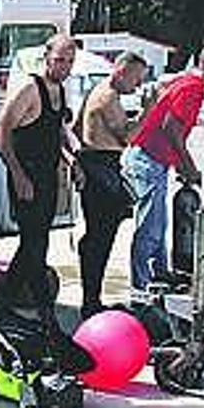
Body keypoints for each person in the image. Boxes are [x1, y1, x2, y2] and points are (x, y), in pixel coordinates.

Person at [0, 34, 93, 373]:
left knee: (35, 243)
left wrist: (72, 160)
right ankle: (47, 317)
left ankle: (2, 304)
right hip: (26, 176)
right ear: (46, 57)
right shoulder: (29, 88)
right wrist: (18, 174)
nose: (63, 67)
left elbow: (55, 132)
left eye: (69, 62)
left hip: (48, 178)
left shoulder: (59, 92)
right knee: (35, 245)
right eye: (59, 60)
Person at [124, 44, 204, 290]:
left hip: (152, 158)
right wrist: (189, 165)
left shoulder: (184, 80)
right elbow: (171, 127)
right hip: (148, 158)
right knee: (150, 227)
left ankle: (160, 274)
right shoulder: (194, 87)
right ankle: (140, 286)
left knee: (158, 225)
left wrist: (180, 164)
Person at [74, 51, 148, 320]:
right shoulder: (108, 97)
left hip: (97, 163)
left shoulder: (97, 91)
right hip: (101, 166)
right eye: (136, 79)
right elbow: (128, 135)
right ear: (121, 71)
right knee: (100, 239)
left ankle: (92, 298)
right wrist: (147, 111)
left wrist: (76, 160)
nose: (137, 86)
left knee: (98, 237)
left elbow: (74, 128)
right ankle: (90, 301)